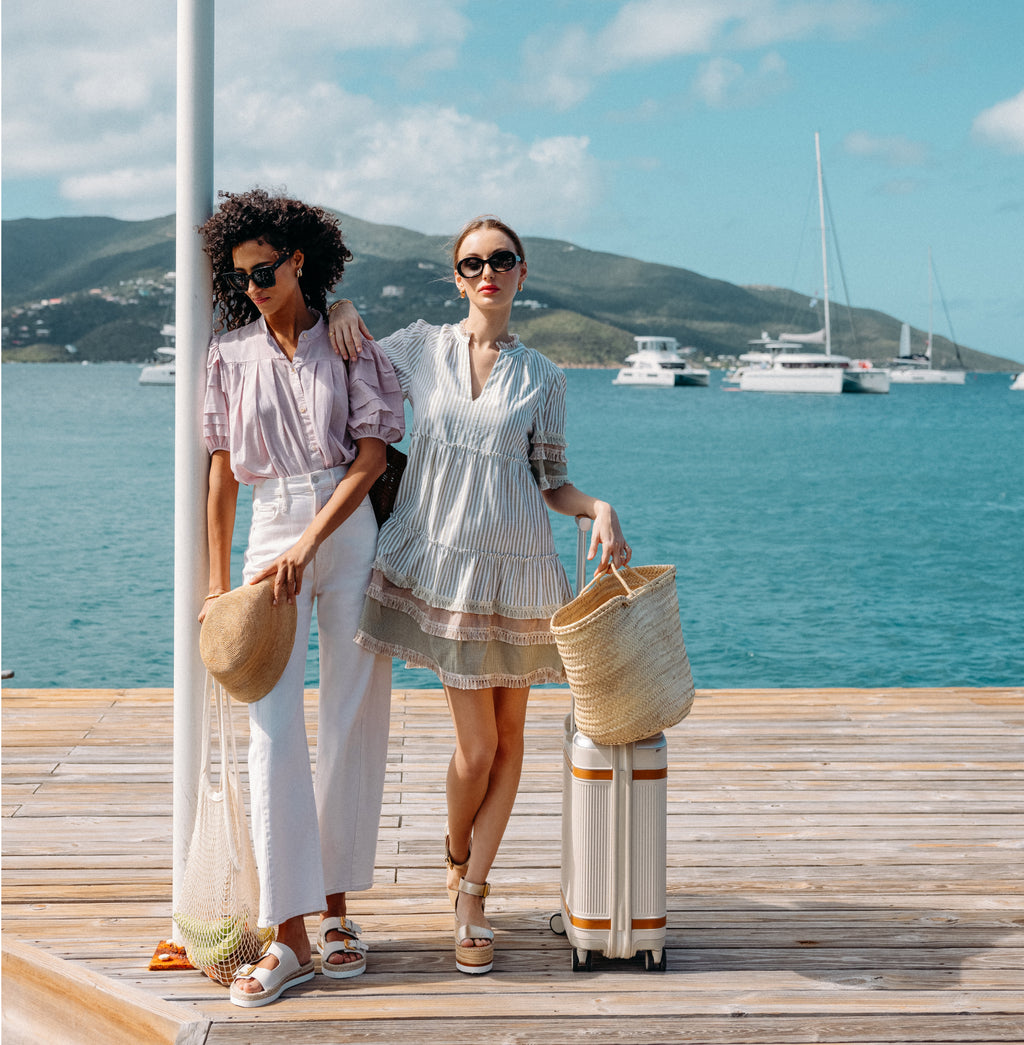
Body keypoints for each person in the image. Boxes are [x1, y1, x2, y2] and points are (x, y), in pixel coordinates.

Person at [328, 216, 630, 975]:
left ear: (522, 273)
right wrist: (336, 307)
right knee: (479, 746)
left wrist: (599, 508)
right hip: (448, 568)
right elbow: (347, 363)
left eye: (502, 260)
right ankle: (457, 849)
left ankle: (472, 895)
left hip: (521, 566)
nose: (487, 271)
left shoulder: (546, 377)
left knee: (513, 739)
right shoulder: (419, 348)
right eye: (472, 262)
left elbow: (552, 483)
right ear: (456, 277)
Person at [197, 189, 405, 1007]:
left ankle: (340, 910)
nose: (254, 285)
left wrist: (310, 542)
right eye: (241, 275)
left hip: (343, 528)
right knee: (270, 732)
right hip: (267, 526)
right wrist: (219, 587)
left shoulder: (351, 342)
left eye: (267, 270)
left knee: (352, 715)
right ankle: (286, 931)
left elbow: (372, 454)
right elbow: (220, 473)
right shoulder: (227, 355)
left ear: (300, 262)